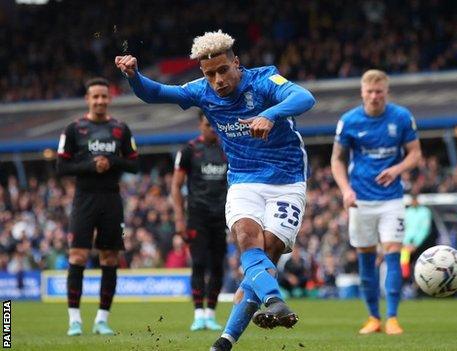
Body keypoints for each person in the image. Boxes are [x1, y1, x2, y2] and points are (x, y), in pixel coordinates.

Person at [115, 29, 315, 351]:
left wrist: (269, 114)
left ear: (236, 63)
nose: (218, 79)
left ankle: (224, 341)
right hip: (244, 180)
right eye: (210, 74)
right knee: (248, 239)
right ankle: (274, 302)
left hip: (287, 180)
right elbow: (155, 94)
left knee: (268, 254)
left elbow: (305, 98)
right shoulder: (201, 92)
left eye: (223, 70)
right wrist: (134, 76)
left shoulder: (263, 80)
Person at [331, 69, 421, 335]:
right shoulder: (349, 121)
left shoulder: (402, 117)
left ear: (386, 92)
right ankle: (373, 318)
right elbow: (337, 159)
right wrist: (345, 190)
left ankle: (392, 317)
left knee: (393, 252)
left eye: (379, 92)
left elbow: (415, 154)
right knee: (366, 259)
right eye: (369, 92)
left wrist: (397, 169)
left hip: (391, 199)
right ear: (362, 92)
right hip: (360, 200)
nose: (374, 97)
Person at [56, 77, 139, 336]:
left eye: (104, 96)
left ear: (109, 99)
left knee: (110, 257)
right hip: (84, 199)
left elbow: (134, 164)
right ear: (88, 99)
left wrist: (112, 161)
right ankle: (74, 320)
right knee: (78, 256)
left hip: (112, 200)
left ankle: (102, 319)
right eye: (95, 97)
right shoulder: (73, 129)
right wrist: (91, 166)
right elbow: (61, 167)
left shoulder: (121, 129)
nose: (100, 101)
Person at [171, 111, 228, 331]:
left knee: (217, 265)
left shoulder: (227, 148)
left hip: (221, 216)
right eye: (207, 124)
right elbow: (176, 186)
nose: (212, 128)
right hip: (197, 216)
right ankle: (198, 314)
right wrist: (179, 219)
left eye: (215, 124)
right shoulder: (189, 151)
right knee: (199, 263)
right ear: (199, 125)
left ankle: (211, 314)